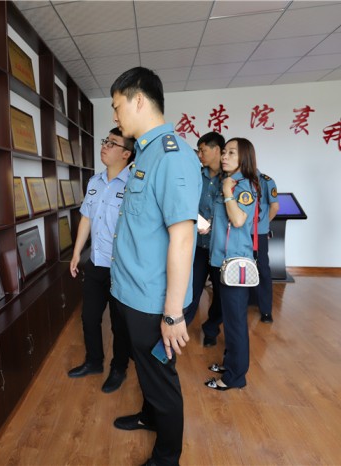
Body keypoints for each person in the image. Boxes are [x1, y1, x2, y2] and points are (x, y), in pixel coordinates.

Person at [109, 67, 201, 466]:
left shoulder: (172, 156)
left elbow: (182, 238)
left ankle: (167, 457)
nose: (115, 116)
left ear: (138, 100)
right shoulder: (145, 152)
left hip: (153, 300)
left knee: (161, 381)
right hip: (131, 291)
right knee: (147, 373)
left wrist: (173, 313)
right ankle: (149, 416)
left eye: (117, 107)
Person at [68, 127, 135, 393]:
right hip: (95, 263)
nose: (105, 146)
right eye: (105, 141)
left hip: (120, 268)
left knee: (120, 324)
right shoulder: (94, 182)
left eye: (112, 143)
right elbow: (86, 218)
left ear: (126, 154)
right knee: (89, 317)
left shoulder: (134, 185)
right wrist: (77, 253)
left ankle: (119, 368)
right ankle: (94, 361)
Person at [205, 138, 259, 391]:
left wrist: (228, 191)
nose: (224, 156)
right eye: (224, 152)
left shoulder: (243, 186)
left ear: (244, 158)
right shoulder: (228, 182)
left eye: (231, 153)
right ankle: (230, 363)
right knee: (229, 319)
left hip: (235, 264)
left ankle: (235, 377)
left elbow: (238, 220)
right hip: (221, 261)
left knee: (235, 323)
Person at [183, 132, 224, 337]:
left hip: (220, 247)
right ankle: (178, 331)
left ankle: (211, 328)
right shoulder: (197, 176)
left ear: (216, 150)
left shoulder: (231, 179)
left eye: (203, 150)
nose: (199, 155)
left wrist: (213, 225)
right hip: (198, 245)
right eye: (198, 150)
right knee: (191, 289)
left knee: (221, 295)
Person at [252, 170, 279, 322]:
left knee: (262, 268)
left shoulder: (266, 181)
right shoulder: (234, 179)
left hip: (258, 233)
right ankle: (246, 301)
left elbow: (275, 207)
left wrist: (263, 224)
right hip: (239, 231)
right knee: (240, 266)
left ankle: (266, 310)